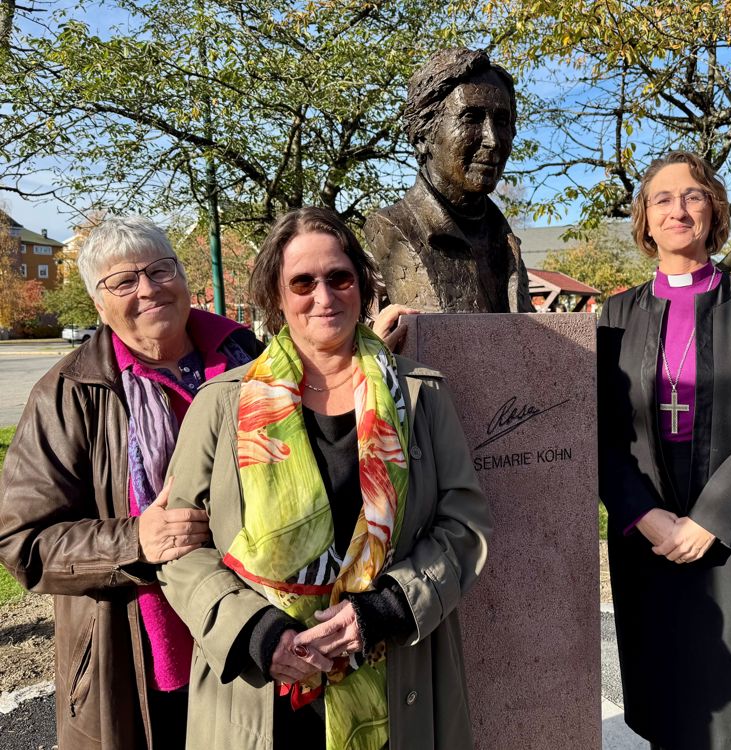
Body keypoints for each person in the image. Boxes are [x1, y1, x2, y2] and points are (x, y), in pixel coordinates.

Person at [158, 206, 492, 750]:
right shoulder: (222, 404)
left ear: (361, 284)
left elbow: (465, 523)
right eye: (302, 282)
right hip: (262, 693)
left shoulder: (419, 394)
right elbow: (179, 544)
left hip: (394, 677)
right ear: (277, 295)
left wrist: (384, 609)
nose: (324, 296)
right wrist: (259, 634)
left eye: (339, 277)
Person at [0, 216, 262, 749]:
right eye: (123, 281)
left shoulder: (248, 357)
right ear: (99, 303)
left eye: (161, 270)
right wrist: (135, 540)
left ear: (183, 276)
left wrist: (375, 344)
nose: (148, 289)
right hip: (142, 648)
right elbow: (22, 541)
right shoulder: (69, 393)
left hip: (259, 621)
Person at [598, 151, 731, 749]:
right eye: (662, 199)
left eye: (693, 196)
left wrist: (711, 519)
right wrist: (644, 514)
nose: (678, 209)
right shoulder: (615, 314)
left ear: (713, 211)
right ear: (645, 221)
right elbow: (601, 431)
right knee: (668, 695)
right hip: (647, 524)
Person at [364, 47, 532, 313]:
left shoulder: (506, 242)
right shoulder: (393, 232)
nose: (493, 139)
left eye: (501, 121)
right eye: (471, 118)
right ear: (422, 137)